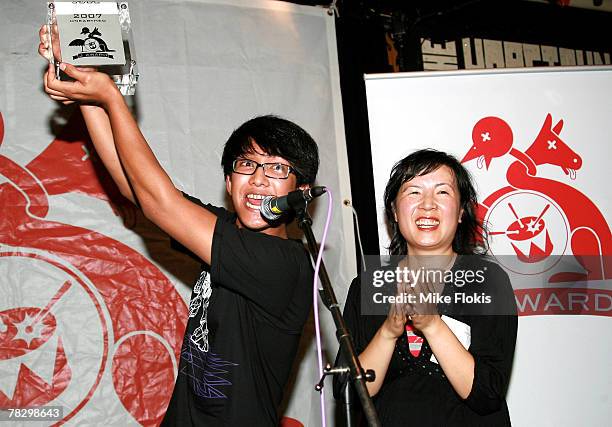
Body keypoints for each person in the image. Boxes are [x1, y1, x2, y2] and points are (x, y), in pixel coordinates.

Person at [38, 29, 319, 426]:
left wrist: (111, 98)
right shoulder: (225, 229)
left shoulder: (284, 262)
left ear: (301, 190)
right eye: (246, 165)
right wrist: (87, 92)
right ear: (228, 182)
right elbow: (134, 186)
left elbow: (160, 203)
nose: (258, 180)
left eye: (276, 168)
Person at [335, 149, 517, 426]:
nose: (428, 205)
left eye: (442, 193)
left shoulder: (488, 281)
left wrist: (433, 325)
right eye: (414, 193)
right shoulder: (369, 286)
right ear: (394, 212)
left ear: (461, 212)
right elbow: (349, 394)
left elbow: (487, 394)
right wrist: (387, 332)